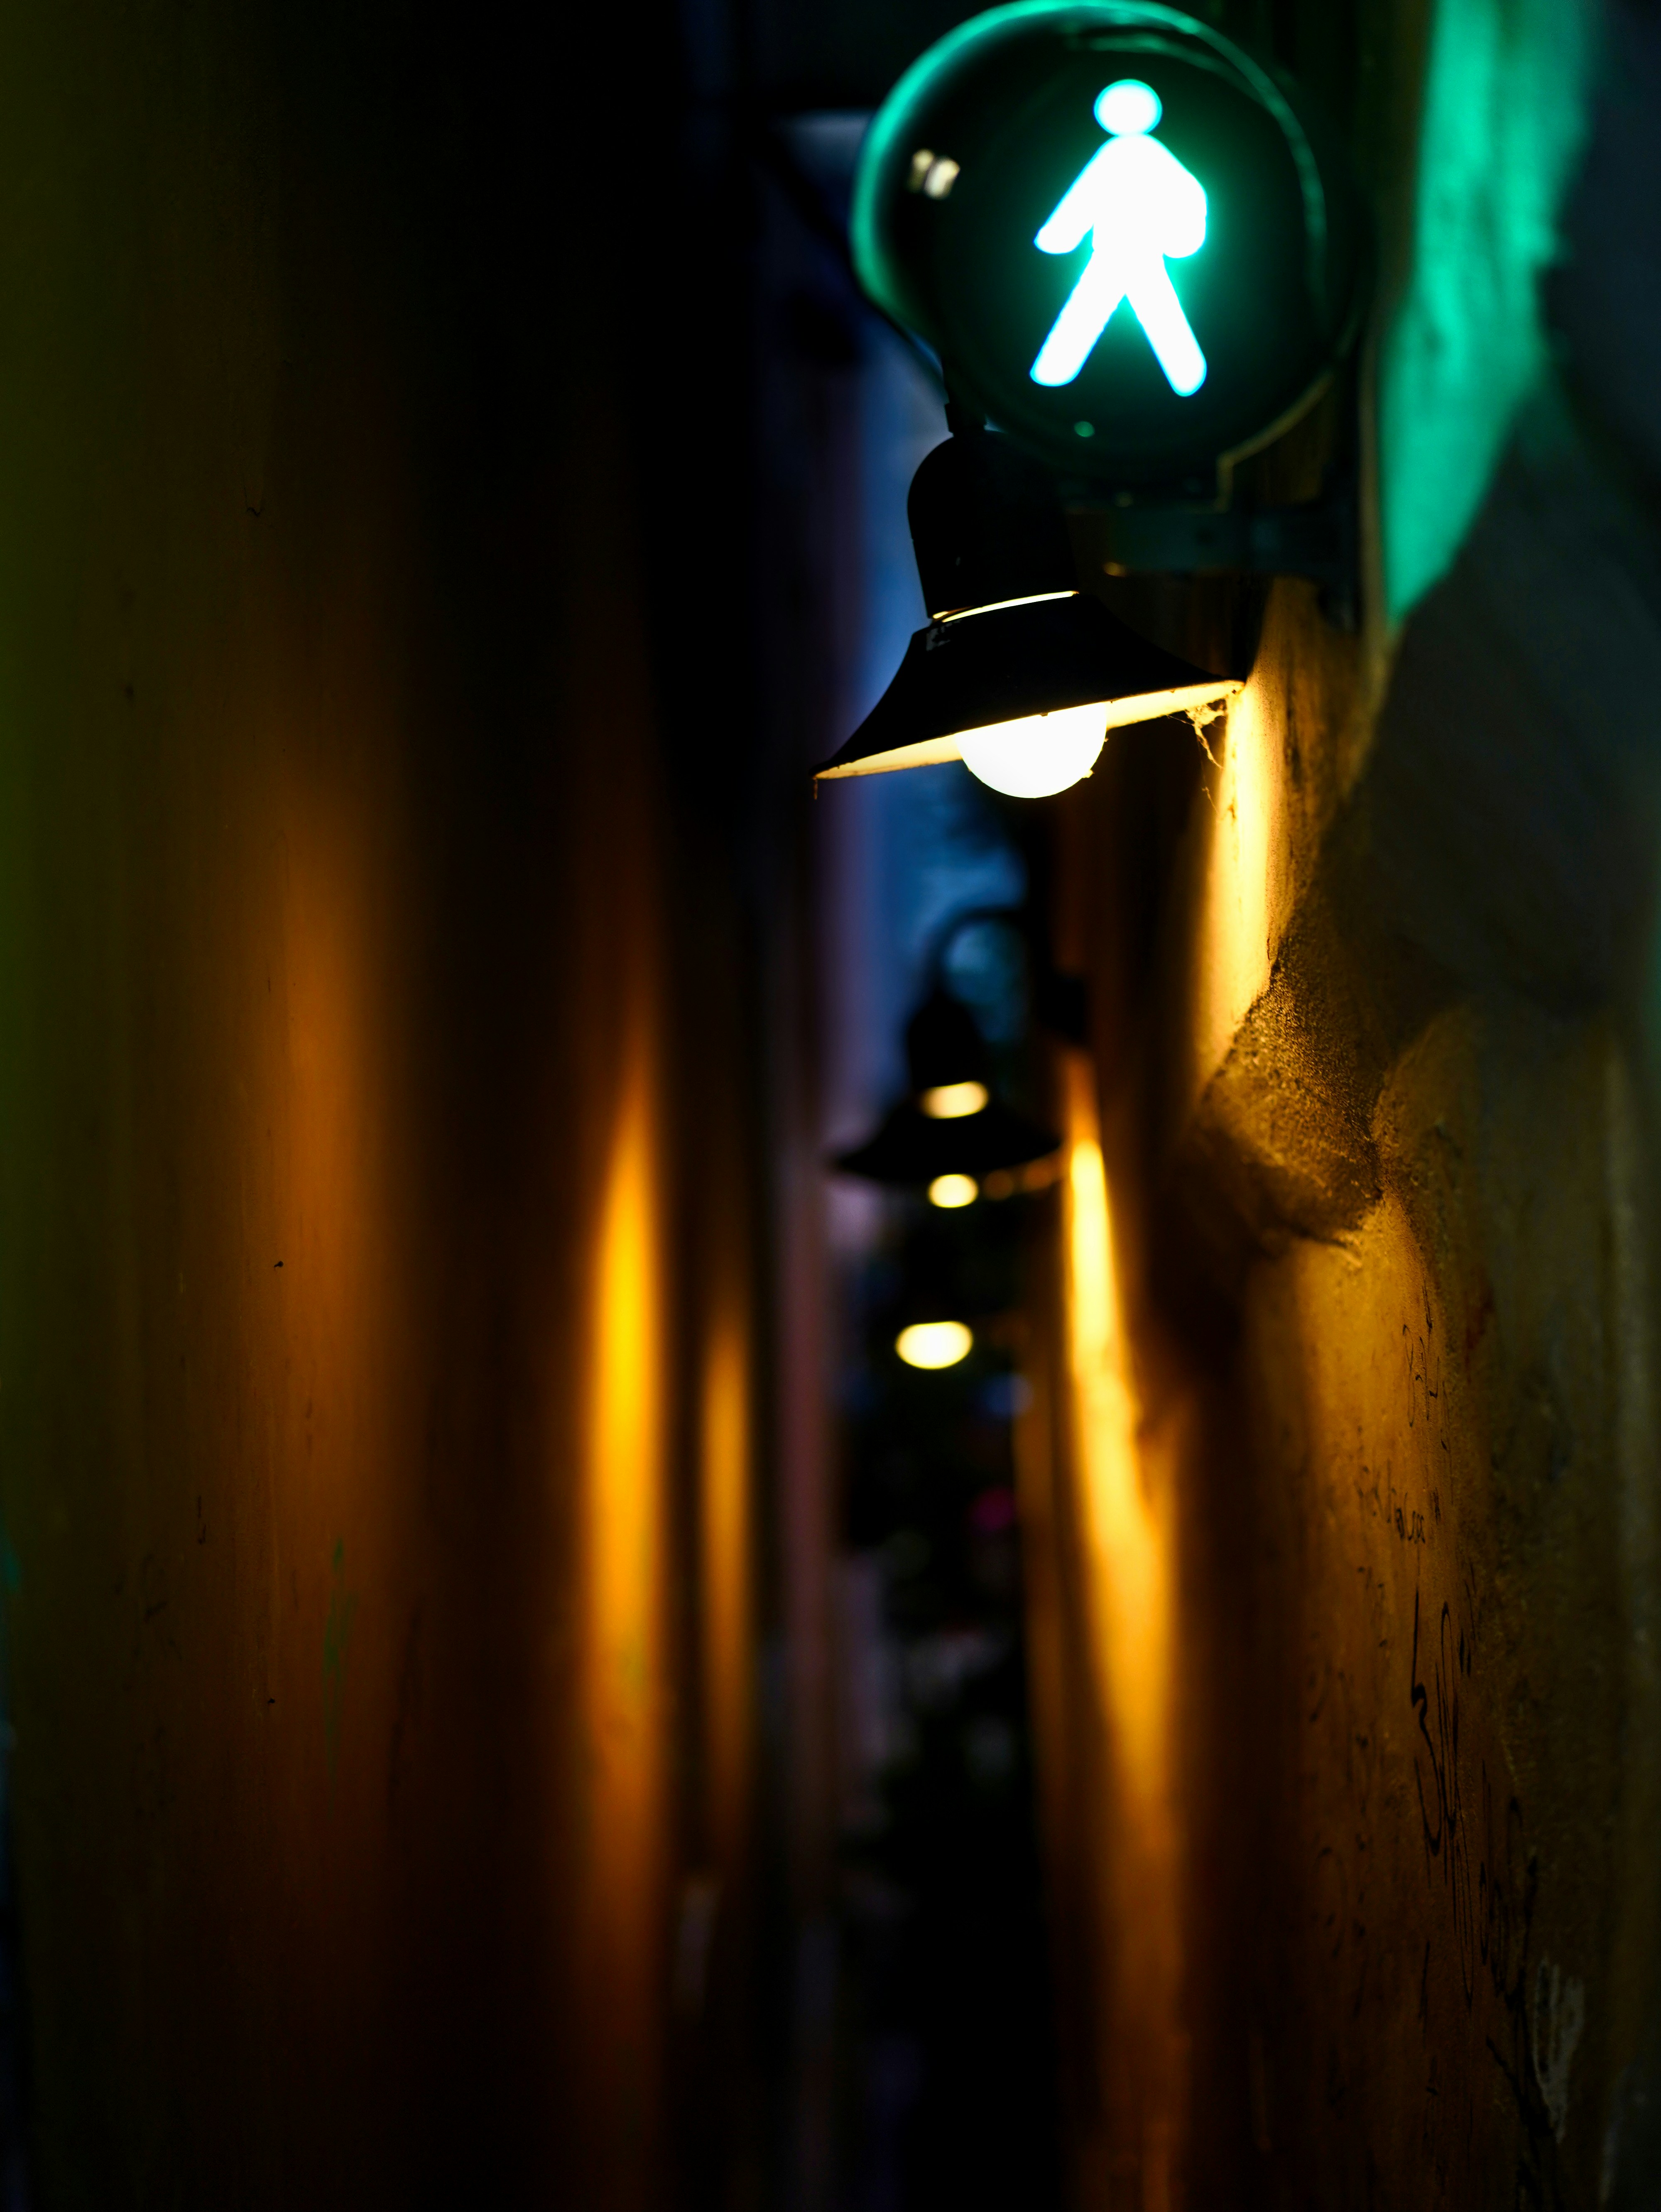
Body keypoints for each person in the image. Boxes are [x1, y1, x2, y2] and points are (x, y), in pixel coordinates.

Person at [1029, 78, 1208, 395]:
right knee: (1112, 310)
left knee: (1116, 311)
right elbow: (1084, 198)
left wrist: (1060, 236)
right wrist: (1060, 235)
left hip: (1132, 253)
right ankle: (1052, 375)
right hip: (1116, 253)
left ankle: (1188, 378)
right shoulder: (1131, 153)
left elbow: (1187, 193)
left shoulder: (1136, 154)